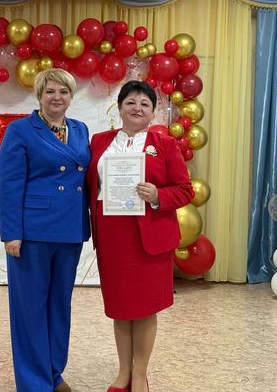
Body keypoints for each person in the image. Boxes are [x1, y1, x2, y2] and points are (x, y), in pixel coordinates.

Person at [86, 80, 193, 392]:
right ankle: (123, 373)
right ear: (119, 108)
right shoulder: (99, 142)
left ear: (153, 112)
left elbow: (185, 190)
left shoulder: (164, 144)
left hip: (149, 237)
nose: (137, 108)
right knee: (120, 307)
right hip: (112, 235)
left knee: (145, 307)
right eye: (130, 102)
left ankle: (140, 375)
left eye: (145, 104)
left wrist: (159, 195)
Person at [0, 68, 90, 392]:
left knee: (59, 306)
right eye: (50, 91)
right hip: (32, 233)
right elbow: (8, 183)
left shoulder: (80, 129)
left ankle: (53, 373)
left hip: (70, 230)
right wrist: (11, 232)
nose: (56, 98)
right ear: (39, 96)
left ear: (71, 96)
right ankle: (34, 383)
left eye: (63, 92)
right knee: (30, 310)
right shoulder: (20, 130)